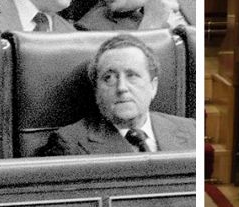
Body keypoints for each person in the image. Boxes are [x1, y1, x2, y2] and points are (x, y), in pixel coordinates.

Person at [38, 34, 197, 156]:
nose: (121, 88)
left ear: (153, 86)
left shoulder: (192, 130)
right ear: (96, 91)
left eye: (132, 75)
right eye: (109, 78)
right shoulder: (69, 145)